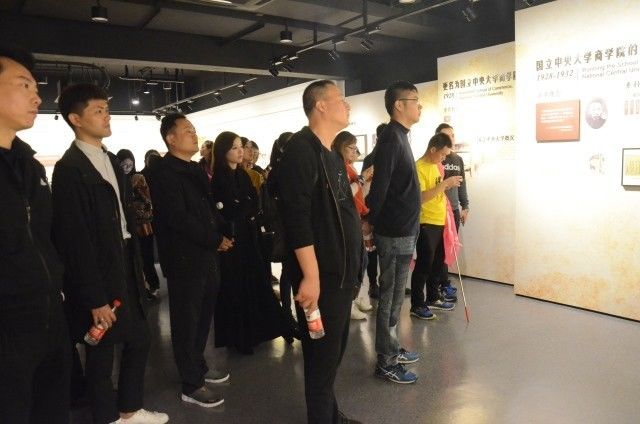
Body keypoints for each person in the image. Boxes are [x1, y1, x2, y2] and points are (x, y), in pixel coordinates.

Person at [51, 83, 167, 424]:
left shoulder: (112, 160)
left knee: (140, 337)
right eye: (98, 111)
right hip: (97, 268)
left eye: (107, 109)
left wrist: (138, 268)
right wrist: (94, 297)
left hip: (126, 258)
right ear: (75, 119)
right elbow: (74, 240)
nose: (107, 116)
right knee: (100, 348)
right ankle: (107, 417)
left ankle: (129, 409)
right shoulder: (70, 169)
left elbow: (124, 217)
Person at [276, 80, 363, 424]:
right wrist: (311, 276)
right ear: (321, 106)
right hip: (323, 278)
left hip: (340, 276)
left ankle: (330, 414)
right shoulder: (301, 150)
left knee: (332, 355)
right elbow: (297, 219)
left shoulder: (329, 153)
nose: (347, 104)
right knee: (321, 358)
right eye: (340, 99)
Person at [0, 44, 71, 424]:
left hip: (48, 318)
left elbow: (44, 239)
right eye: (23, 85)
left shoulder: (30, 166)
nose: (37, 96)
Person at [148, 113, 231, 408]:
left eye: (194, 130)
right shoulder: (163, 173)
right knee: (186, 321)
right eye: (187, 131)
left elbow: (207, 210)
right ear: (170, 138)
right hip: (184, 259)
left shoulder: (194, 169)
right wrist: (214, 239)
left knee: (203, 316)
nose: (194, 135)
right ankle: (191, 384)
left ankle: (198, 367)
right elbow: (179, 218)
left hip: (206, 256)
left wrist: (222, 231)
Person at [210, 131, 297, 354]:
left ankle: (269, 329)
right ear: (223, 151)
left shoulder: (243, 175)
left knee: (256, 283)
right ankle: (241, 338)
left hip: (250, 237)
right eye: (235, 147)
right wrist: (244, 206)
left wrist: (243, 206)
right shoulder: (219, 178)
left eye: (241, 146)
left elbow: (251, 203)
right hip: (232, 241)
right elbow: (230, 209)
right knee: (236, 288)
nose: (241, 151)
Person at [365, 81, 422, 384]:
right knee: (390, 297)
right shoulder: (391, 138)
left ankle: (392, 348)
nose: (419, 106)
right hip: (395, 231)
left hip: (403, 229)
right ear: (399, 105)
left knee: (396, 297)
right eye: (415, 100)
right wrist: (371, 220)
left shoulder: (399, 136)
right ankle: (386, 361)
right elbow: (381, 185)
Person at [410, 133, 461, 320]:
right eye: (442, 154)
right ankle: (417, 304)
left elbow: (437, 192)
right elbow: (421, 197)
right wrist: (444, 184)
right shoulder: (418, 168)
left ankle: (433, 297)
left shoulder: (436, 166)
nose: (444, 158)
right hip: (426, 221)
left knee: (438, 262)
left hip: (440, 220)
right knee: (424, 264)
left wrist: (446, 186)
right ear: (433, 149)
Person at [332, 131, 374, 320]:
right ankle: (349, 301)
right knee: (354, 261)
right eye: (352, 147)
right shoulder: (338, 167)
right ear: (342, 146)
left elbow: (358, 194)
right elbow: (344, 195)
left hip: (355, 216)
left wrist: (365, 182)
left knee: (361, 260)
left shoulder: (349, 168)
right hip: (345, 219)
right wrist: (362, 179)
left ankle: (356, 297)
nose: (355, 152)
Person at [116, 149, 161, 300]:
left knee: (146, 258)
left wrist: (130, 205)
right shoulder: (117, 179)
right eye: (123, 164)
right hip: (126, 227)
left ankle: (153, 286)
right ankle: (140, 289)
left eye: (129, 164)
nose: (126, 167)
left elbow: (147, 201)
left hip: (142, 226)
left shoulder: (138, 178)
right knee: (133, 259)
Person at [434, 123, 470, 302]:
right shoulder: (435, 158)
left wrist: (465, 206)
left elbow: (462, 184)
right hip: (438, 210)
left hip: (454, 209)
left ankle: (444, 282)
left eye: (453, 135)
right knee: (439, 250)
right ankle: (439, 284)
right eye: (447, 135)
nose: (451, 139)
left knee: (449, 248)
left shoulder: (457, 159)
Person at [361, 122, 387, 300]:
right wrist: (367, 216)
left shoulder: (392, 155)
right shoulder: (371, 158)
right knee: (372, 250)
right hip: (373, 212)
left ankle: (386, 283)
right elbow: (366, 188)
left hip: (388, 212)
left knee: (387, 250)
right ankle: (373, 284)